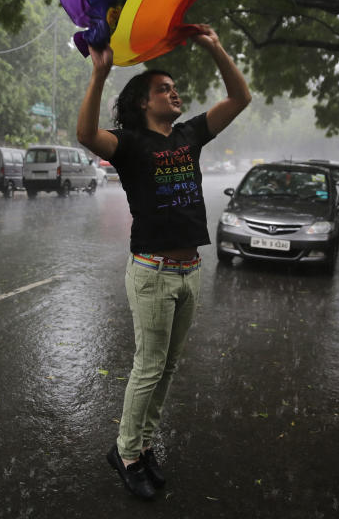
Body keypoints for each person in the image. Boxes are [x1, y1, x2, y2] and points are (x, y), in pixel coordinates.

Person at [76, 25, 250, 500]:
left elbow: (240, 97)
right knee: (148, 367)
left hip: (190, 271)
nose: (174, 93)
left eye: (175, 88)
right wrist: (99, 74)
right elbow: (86, 133)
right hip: (152, 272)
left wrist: (215, 48)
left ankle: (143, 444)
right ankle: (126, 453)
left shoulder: (190, 133)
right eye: (163, 89)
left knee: (167, 368)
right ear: (141, 102)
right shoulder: (129, 144)